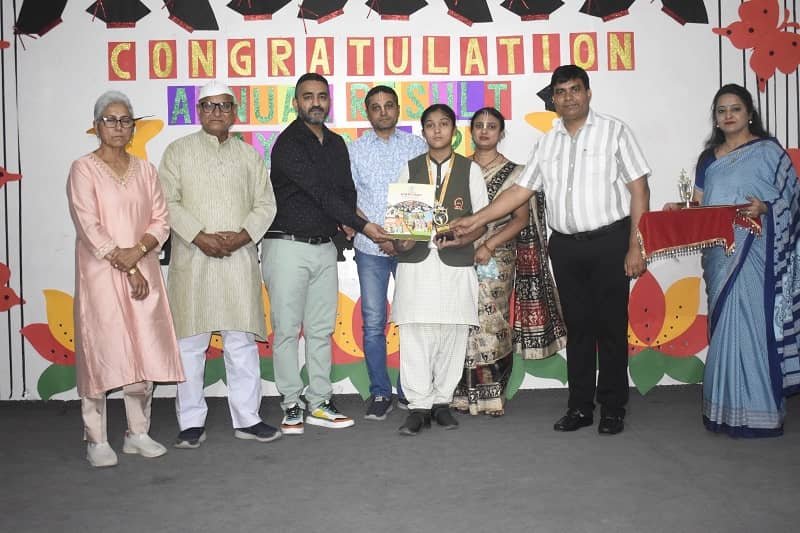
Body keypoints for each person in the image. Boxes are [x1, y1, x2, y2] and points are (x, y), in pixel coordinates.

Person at [451, 65, 651, 435]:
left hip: (610, 242)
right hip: (566, 248)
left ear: (588, 93)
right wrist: (475, 220)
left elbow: (639, 189)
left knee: (610, 327)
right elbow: (518, 192)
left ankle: (612, 408)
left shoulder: (615, 131)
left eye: (575, 89)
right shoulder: (547, 142)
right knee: (579, 329)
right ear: (554, 99)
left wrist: (635, 246)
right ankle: (580, 407)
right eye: (560, 92)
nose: (568, 97)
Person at [664, 84, 800, 437]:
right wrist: (680, 210)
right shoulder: (708, 159)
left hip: (758, 251)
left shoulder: (769, 152)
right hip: (720, 254)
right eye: (721, 110)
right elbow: (700, 207)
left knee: (754, 327)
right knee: (725, 326)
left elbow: (793, 201)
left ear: (749, 113)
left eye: (735, 109)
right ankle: (723, 410)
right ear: (715, 118)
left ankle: (761, 411)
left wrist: (766, 207)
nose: (728, 115)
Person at [264, 73, 388, 435]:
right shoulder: (288, 144)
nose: (315, 102)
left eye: (321, 96)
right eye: (308, 96)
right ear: (296, 103)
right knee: (287, 330)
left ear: (328, 101)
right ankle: (291, 402)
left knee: (320, 330)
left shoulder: (335, 143)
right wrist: (362, 226)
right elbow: (319, 192)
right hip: (286, 245)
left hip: (323, 248)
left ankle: (319, 400)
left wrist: (346, 221)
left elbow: (344, 191)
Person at [159, 80, 280, 448]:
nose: (216, 112)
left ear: (234, 113)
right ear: (199, 111)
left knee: (240, 342)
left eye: (224, 105)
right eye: (209, 105)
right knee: (190, 345)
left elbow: (266, 204)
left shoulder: (249, 155)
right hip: (193, 259)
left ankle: (248, 418)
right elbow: (166, 201)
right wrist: (199, 236)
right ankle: (191, 422)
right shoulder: (177, 152)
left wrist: (243, 236)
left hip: (237, 260)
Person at [67, 91, 185, 467]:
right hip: (101, 273)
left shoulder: (146, 171)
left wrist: (139, 253)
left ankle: (138, 432)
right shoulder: (83, 169)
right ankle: (96, 438)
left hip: (143, 270)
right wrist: (128, 263)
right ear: (96, 126)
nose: (118, 127)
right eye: (110, 120)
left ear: (133, 127)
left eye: (125, 121)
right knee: (101, 350)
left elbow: (161, 220)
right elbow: (88, 224)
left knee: (143, 349)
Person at [451, 107, 567, 417]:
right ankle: (461, 392)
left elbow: (520, 219)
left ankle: (491, 394)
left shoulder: (516, 173)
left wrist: (489, 244)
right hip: (457, 255)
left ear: (501, 133)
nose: (484, 131)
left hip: (497, 256)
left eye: (492, 126)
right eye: (479, 125)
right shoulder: (458, 169)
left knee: (492, 324)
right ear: (471, 131)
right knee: (461, 322)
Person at [392, 103, 489, 435]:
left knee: (453, 331)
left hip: (456, 263)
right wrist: (401, 241)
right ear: (423, 132)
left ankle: (442, 402)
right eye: (430, 125)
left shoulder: (470, 170)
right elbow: (401, 226)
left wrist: (463, 239)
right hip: (417, 264)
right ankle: (418, 406)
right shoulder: (410, 168)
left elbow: (481, 221)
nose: (437, 130)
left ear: (453, 130)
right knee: (415, 333)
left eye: (443, 123)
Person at [348, 85, 428, 420]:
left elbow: (423, 191)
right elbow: (347, 197)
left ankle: (410, 390)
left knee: (412, 320)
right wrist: (375, 233)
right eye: (376, 106)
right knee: (373, 323)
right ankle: (380, 392)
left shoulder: (416, 145)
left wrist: (399, 238)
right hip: (369, 248)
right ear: (367, 112)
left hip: (409, 248)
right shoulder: (354, 150)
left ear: (398, 108)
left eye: (389, 105)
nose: (383, 111)